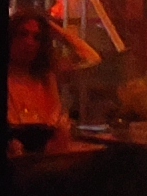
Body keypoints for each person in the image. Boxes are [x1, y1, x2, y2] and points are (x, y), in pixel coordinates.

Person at [7, 9, 100, 140]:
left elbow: (92, 58)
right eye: (23, 34)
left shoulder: (47, 78)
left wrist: (56, 31)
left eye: (37, 37)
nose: (29, 42)